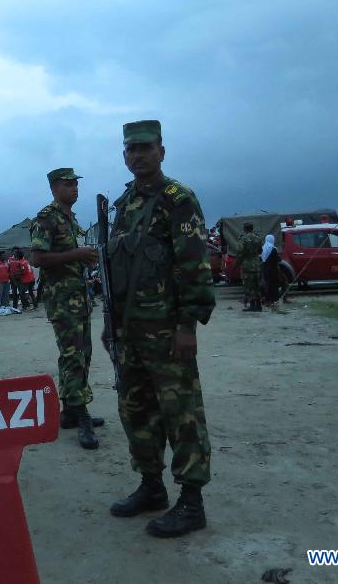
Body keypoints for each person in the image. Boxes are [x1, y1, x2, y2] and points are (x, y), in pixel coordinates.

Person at [106, 119, 216, 539]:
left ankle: (191, 502)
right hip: (130, 331)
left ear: (161, 151)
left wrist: (187, 325)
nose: (138, 155)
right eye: (131, 149)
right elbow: (116, 268)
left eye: (145, 148)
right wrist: (112, 323)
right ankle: (151, 486)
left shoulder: (178, 200)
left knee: (181, 414)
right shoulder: (123, 204)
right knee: (136, 411)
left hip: (167, 331)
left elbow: (194, 266)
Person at [31, 167, 104, 449]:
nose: (74, 188)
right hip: (62, 299)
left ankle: (71, 410)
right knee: (73, 354)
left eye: (75, 183)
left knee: (81, 352)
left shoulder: (69, 219)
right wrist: (76, 254)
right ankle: (80, 412)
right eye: (68, 184)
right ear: (54, 188)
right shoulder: (47, 218)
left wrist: (83, 259)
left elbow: (67, 257)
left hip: (78, 296)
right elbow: (37, 257)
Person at [236, 222, 264, 311]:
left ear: (245, 229)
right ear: (252, 228)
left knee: (249, 286)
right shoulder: (258, 238)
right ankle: (259, 305)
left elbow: (240, 252)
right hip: (256, 265)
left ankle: (252, 305)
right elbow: (260, 251)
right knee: (257, 285)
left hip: (247, 265)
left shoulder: (243, 239)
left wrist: (238, 262)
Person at [261, 234, 281, 309]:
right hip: (273, 270)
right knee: (274, 285)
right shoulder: (273, 249)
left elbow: (261, 259)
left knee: (267, 285)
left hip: (265, 269)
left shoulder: (263, 248)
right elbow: (278, 259)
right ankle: (273, 300)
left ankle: (267, 300)